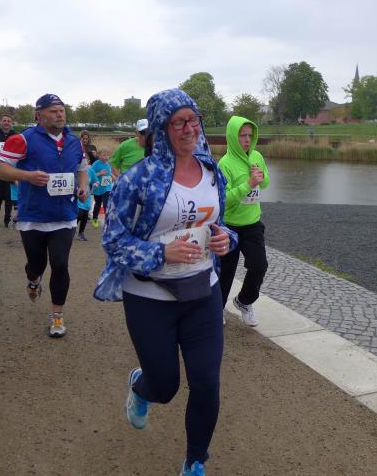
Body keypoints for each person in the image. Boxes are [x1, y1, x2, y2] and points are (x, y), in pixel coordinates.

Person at [94, 89, 236, 476]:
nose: (189, 129)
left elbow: (221, 226)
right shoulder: (139, 179)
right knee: (166, 386)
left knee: (206, 383)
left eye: (194, 120)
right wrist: (160, 254)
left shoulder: (213, 173)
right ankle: (143, 387)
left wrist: (226, 239)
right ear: (161, 128)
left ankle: (195, 462)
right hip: (150, 297)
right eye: (178, 122)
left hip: (202, 292)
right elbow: (113, 240)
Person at [0, 93, 89, 338]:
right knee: (37, 265)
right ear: (39, 115)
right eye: (54, 110)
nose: (60, 114)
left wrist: (83, 187)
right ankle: (34, 280)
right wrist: (27, 176)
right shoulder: (23, 139)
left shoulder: (74, 142)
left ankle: (57, 316)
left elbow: (81, 168)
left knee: (60, 264)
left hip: (65, 216)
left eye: (62, 110)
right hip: (33, 217)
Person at [217, 116, 270, 327]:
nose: (247, 140)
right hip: (228, 226)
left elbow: (265, 183)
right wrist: (248, 183)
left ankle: (244, 301)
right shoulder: (224, 164)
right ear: (232, 137)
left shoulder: (257, 156)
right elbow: (223, 198)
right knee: (225, 272)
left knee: (259, 265)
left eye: (250, 135)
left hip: (252, 224)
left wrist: (260, 177)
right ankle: (217, 308)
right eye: (242, 135)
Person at [90, 149, 113, 228]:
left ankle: (107, 221)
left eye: (107, 155)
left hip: (107, 188)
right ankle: (95, 219)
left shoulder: (108, 164)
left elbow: (109, 173)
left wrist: (114, 178)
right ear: (99, 156)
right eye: (104, 155)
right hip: (98, 187)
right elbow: (90, 175)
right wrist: (100, 173)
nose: (106, 157)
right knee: (98, 204)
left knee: (107, 204)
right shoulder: (96, 164)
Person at [76, 167, 98, 241]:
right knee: (79, 214)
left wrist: (95, 184)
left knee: (85, 215)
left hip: (87, 196)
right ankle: (72, 230)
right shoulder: (76, 168)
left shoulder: (91, 170)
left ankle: (81, 233)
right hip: (77, 194)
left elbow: (96, 180)